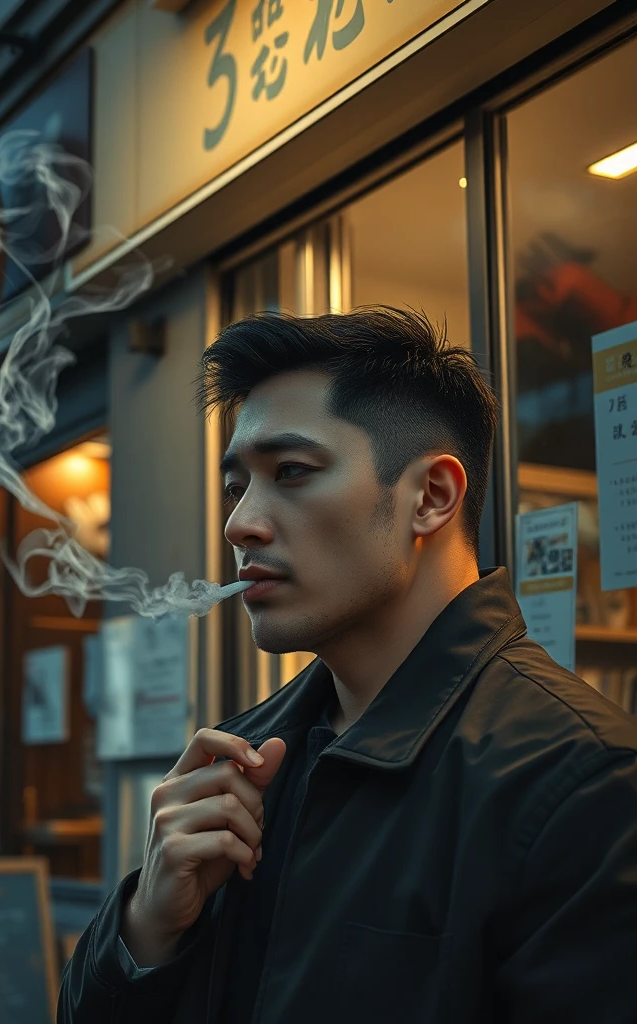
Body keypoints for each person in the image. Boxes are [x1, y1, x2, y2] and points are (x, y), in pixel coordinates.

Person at [57, 307, 637, 1024]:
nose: (240, 522)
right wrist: (148, 927)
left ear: (431, 496)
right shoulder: (243, 757)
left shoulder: (581, 782)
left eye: (292, 472)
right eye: (237, 484)